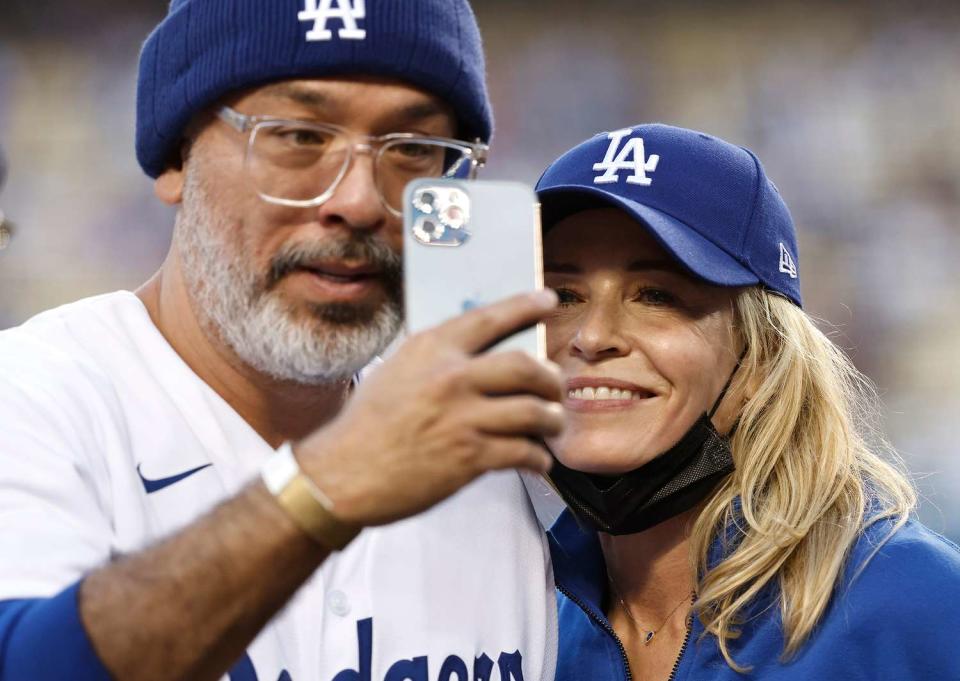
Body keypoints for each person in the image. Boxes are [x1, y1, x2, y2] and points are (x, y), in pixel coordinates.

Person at [0, 2, 565, 680]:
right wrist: (327, 484)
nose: (358, 201)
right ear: (178, 154)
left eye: (411, 149)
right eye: (298, 135)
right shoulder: (31, 400)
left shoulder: (505, 457)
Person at [534, 124, 960, 680]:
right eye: (562, 295)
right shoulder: (518, 620)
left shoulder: (909, 601)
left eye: (656, 296)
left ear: (764, 355)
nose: (591, 336)